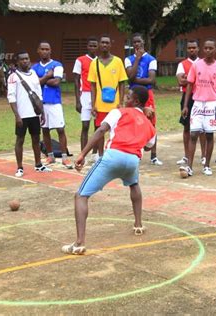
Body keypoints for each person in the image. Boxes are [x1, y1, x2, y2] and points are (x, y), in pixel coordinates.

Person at [61, 86, 156, 254]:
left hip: (114, 156)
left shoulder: (119, 112)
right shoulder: (149, 125)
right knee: (134, 184)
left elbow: (101, 130)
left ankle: (79, 243)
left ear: (136, 101)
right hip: (133, 160)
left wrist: (83, 153)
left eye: (128, 96)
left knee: (81, 195)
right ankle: (138, 224)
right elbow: (149, 147)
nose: (125, 98)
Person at [179, 38, 216, 177]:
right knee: (193, 134)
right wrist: (186, 105)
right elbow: (189, 85)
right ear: (203, 49)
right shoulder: (196, 65)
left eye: (210, 48)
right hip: (197, 103)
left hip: (212, 104)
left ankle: (206, 165)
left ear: (215, 50)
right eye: (205, 48)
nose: (208, 50)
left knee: (209, 135)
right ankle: (190, 166)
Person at [7, 51, 52, 177]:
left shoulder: (34, 74)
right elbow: (11, 97)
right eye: (22, 59)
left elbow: (39, 95)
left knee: (36, 139)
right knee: (20, 140)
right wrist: (17, 115)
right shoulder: (13, 77)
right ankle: (20, 167)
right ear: (17, 61)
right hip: (22, 115)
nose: (25, 61)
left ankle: (38, 165)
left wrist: (42, 112)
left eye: (27, 58)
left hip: (34, 114)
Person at [32, 41, 73, 169]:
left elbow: (56, 82)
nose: (45, 51)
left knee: (60, 129)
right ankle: (50, 156)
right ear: (38, 50)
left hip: (54, 102)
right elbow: (34, 83)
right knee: (45, 129)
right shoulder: (34, 67)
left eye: (47, 49)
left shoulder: (57, 65)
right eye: (42, 49)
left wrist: (42, 79)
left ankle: (64, 157)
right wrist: (48, 75)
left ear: (50, 51)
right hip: (40, 103)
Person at [125, 33, 163, 166]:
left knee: (151, 122)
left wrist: (135, 80)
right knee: (133, 123)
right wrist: (137, 59)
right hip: (133, 94)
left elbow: (151, 80)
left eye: (139, 42)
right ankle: (134, 152)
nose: (137, 44)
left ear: (143, 43)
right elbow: (130, 77)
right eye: (134, 42)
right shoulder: (129, 59)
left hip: (147, 94)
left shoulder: (151, 59)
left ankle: (153, 155)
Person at [88, 34, 127, 158]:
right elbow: (92, 86)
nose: (104, 45)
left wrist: (121, 102)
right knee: (100, 131)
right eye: (102, 42)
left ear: (111, 45)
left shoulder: (118, 61)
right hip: (100, 105)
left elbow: (122, 83)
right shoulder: (94, 63)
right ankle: (100, 156)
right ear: (99, 45)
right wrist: (93, 104)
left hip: (114, 104)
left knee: (116, 131)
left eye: (107, 43)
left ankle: (114, 155)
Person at [176, 39, 206, 166]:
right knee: (187, 126)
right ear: (186, 49)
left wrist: (188, 78)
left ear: (198, 49)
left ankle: (204, 156)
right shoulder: (182, 64)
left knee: (202, 128)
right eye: (189, 48)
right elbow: (181, 82)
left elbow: (204, 79)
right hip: (187, 98)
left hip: (201, 97)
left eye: (194, 47)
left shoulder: (204, 63)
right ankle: (186, 155)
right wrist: (193, 79)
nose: (192, 50)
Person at [73, 37, 99, 161]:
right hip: (85, 95)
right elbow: (76, 80)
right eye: (91, 46)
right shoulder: (80, 60)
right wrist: (77, 100)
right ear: (87, 47)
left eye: (95, 46)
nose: (93, 48)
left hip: (98, 96)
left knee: (98, 126)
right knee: (85, 125)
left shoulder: (100, 61)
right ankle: (82, 154)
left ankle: (95, 153)